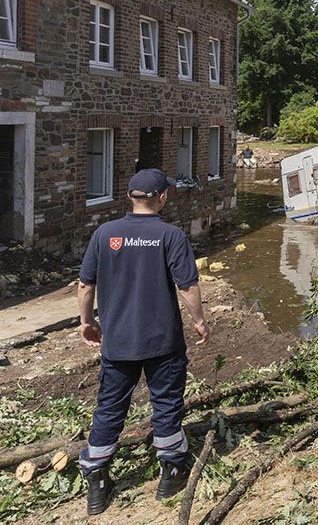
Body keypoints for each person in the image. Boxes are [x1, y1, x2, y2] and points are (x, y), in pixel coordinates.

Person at [77, 168, 210, 516]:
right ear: (162, 197)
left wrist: (87, 322)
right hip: (162, 341)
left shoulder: (104, 234)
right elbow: (188, 286)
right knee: (165, 404)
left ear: (131, 197)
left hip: (117, 342)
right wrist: (198, 321)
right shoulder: (170, 235)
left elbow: (85, 285)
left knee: (109, 408)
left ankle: (98, 482)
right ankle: (171, 471)